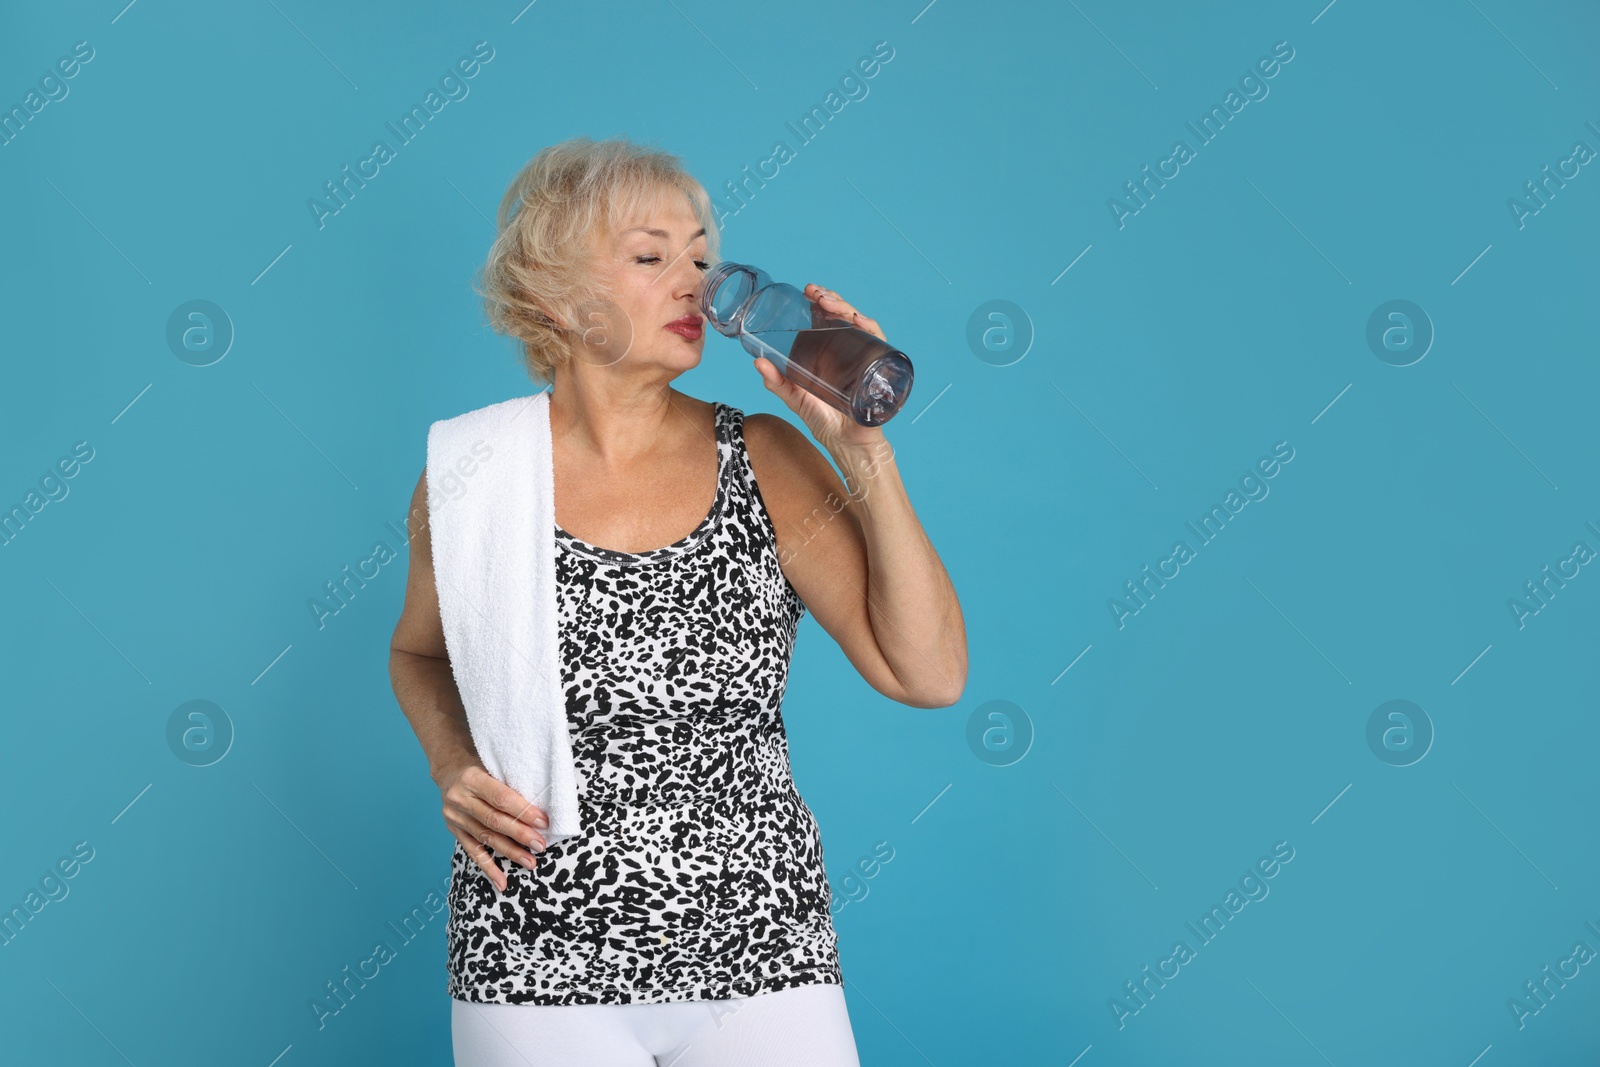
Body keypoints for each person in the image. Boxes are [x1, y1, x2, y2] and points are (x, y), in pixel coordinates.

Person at [388, 136, 967, 1067]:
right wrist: (451, 763)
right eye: (651, 257)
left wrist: (864, 452)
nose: (696, 282)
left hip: (760, 947)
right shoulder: (472, 473)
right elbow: (418, 653)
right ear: (555, 294)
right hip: (534, 954)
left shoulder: (765, 458)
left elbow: (929, 672)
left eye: (702, 254)